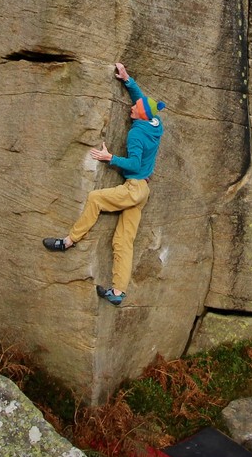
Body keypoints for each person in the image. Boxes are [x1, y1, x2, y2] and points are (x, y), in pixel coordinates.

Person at [43, 62, 165, 306]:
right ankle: (118, 292)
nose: (131, 107)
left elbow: (133, 163)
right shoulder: (156, 125)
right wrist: (127, 80)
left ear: (142, 115)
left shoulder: (136, 134)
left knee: (95, 198)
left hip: (133, 189)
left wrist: (110, 158)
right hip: (143, 190)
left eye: (135, 108)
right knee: (123, 241)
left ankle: (69, 241)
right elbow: (143, 102)